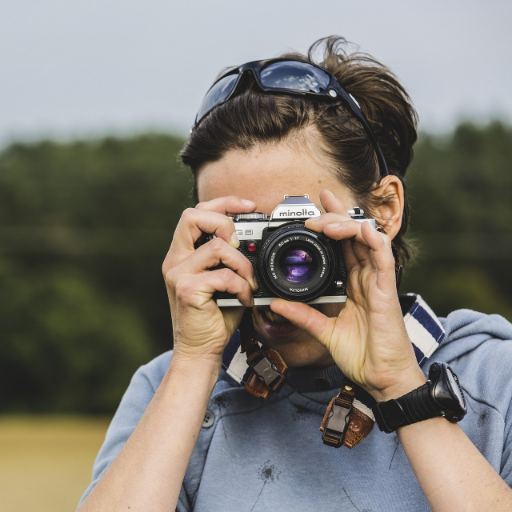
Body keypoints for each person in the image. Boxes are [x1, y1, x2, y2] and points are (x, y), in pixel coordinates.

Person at [78, 37, 512, 511]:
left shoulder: (493, 380)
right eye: (247, 236)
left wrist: (400, 385)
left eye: (296, 234)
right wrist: (195, 363)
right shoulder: (171, 391)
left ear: (384, 210)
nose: (274, 265)